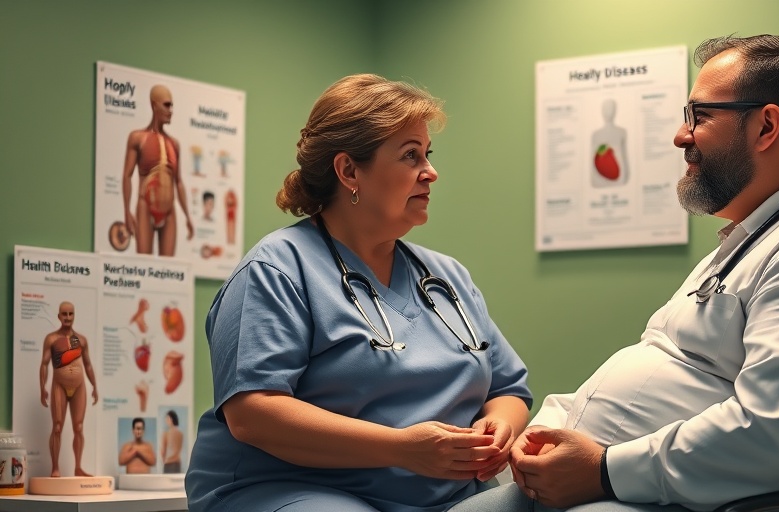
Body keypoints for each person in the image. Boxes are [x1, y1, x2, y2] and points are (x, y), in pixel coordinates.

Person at [453, 34, 779, 512]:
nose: (681, 135)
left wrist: (603, 470)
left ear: (766, 126)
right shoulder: (757, 238)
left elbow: (773, 438)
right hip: (626, 487)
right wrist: (548, 432)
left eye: (700, 116)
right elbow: (660, 365)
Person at [185, 74, 532, 512]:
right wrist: (402, 449)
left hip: (442, 497)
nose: (431, 172)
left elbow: (509, 388)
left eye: (427, 154)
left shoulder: (447, 277)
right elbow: (254, 413)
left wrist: (499, 428)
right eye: (410, 155)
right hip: (292, 489)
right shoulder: (277, 270)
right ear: (349, 171)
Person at [122, 84, 195, 256]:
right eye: (167, 105)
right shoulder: (137, 138)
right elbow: (127, 175)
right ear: (154, 105)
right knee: (144, 266)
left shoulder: (174, 144)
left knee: (168, 269)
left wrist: (188, 216)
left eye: (172, 106)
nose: (171, 111)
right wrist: (127, 212)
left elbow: (178, 182)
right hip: (145, 207)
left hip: (169, 211)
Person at [39, 301, 99, 478]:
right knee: (57, 426)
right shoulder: (51, 339)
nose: (67, 317)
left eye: (70, 314)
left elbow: (88, 364)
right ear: (59, 316)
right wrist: (42, 388)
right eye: (64, 314)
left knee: (78, 427)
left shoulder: (80, 340)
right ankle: (55, 467)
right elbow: (44, 364)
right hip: (60, 385)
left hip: (79, 386)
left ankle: (78, 467)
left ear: (74, 315)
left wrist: (95, 385)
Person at [591, 99, 629, 186]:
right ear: (601, 111)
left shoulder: (621, 132)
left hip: (619, 178)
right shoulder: (596, 134)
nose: (608, 112)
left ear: (615, 111)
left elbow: (625, 156)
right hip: (601, 177)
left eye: (611, 108)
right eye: (605, 109)